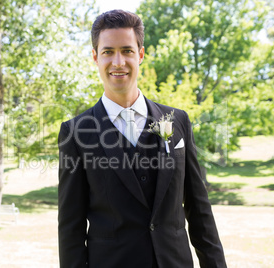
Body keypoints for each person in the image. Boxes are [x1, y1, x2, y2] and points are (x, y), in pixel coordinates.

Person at [58, 9, 226, 268]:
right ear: (95, 57)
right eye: (108, 52)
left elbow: (200, 209)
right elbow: (71, 228)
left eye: (126, 50)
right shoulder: (76, 133)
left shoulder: (177, 121)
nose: (118, 62)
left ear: (141, 54)